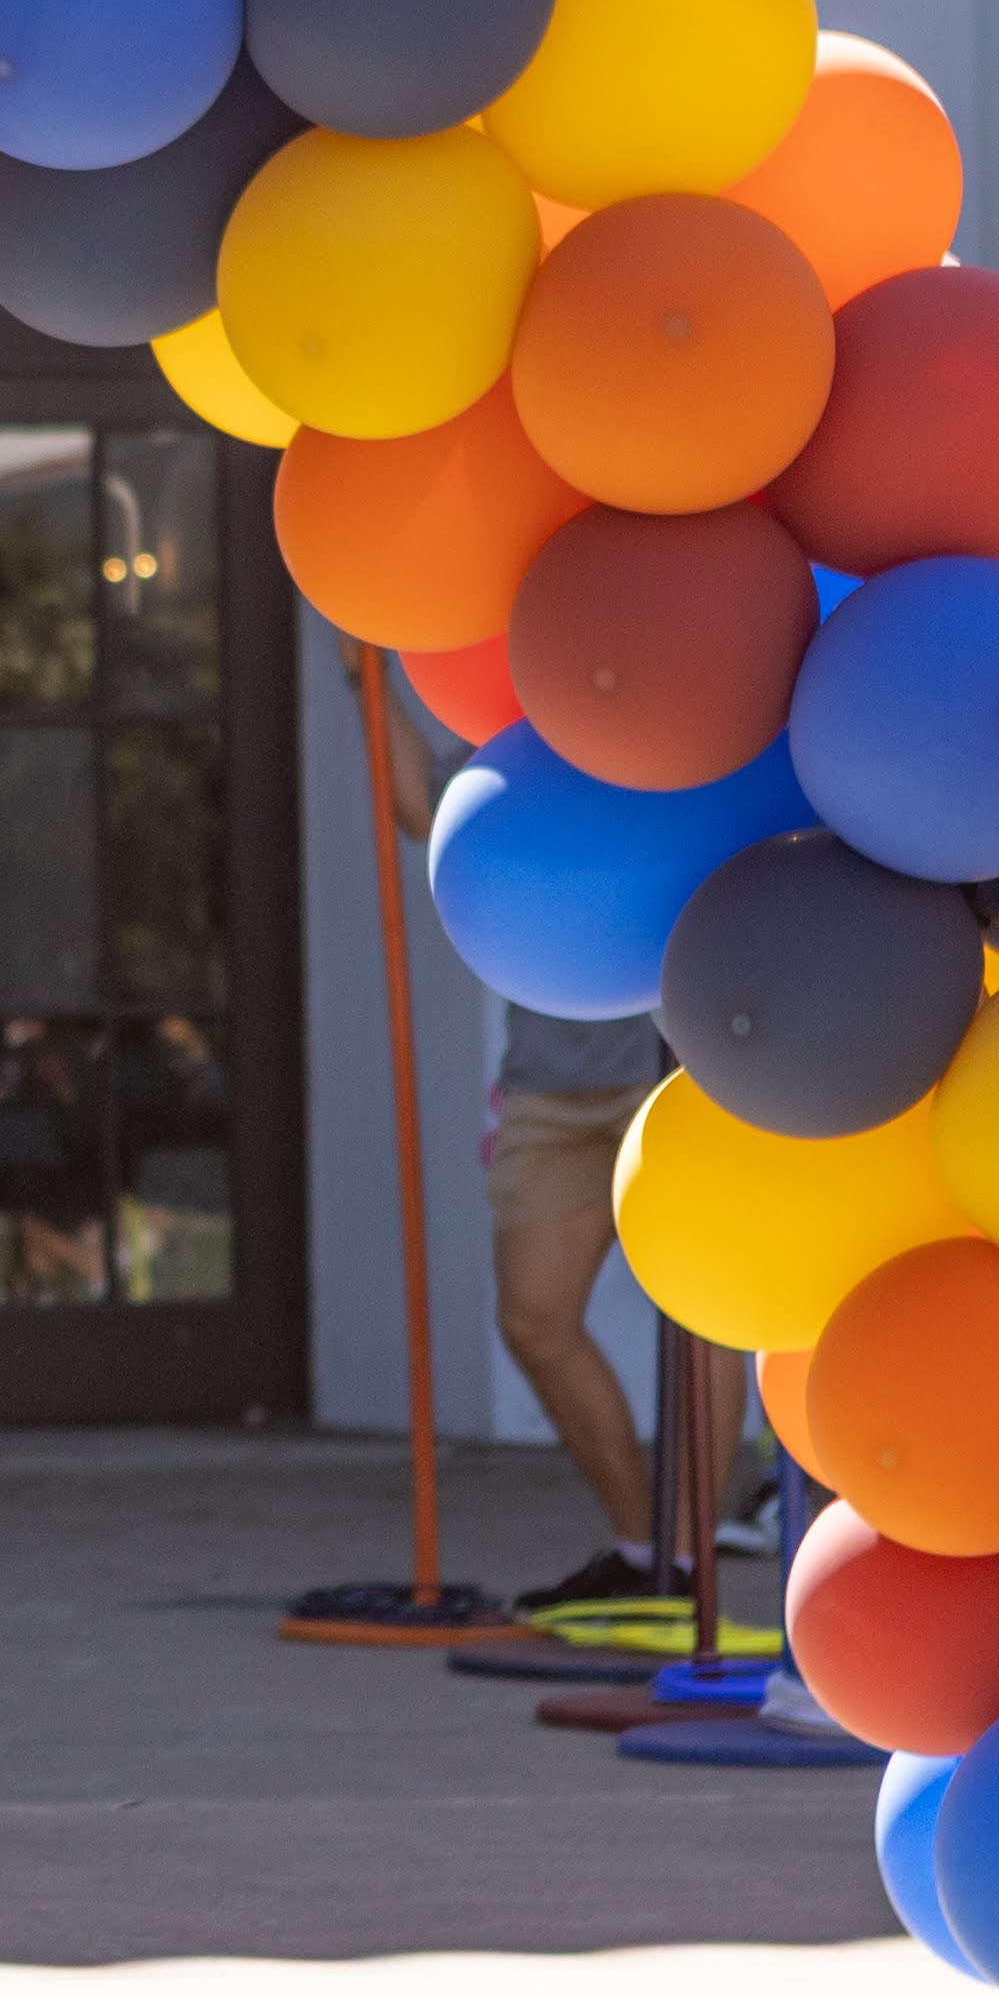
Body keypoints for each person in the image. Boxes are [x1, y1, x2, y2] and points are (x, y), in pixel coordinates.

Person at [346, 642, 673, 1606]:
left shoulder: (671, 737)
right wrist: (355, 677)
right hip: (549, 1081)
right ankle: (643, 1548)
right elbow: (420, 811)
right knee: (533, 1319)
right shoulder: (514, 749)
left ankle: (687, 1561)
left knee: (701, 1330)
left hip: (674, 1067)